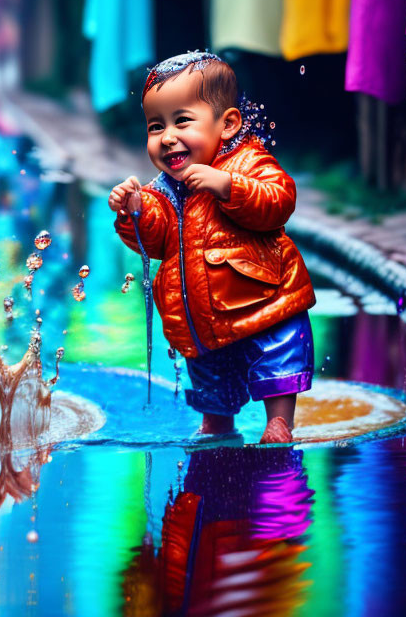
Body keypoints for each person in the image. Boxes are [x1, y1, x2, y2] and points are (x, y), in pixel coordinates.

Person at [108, 52, 315, 444]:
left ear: (227, 124)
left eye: (181, 121)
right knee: (211, 382)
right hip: (201, 320)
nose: (167, 137)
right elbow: (154, 242)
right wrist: (133, 212)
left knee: (276, 359)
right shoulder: (161, 192)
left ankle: (279, 421)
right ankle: (217, 423)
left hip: (264, 302)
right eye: (156, 126)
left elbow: (279, 200)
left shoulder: (248, 161)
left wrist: (227, 186)